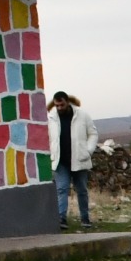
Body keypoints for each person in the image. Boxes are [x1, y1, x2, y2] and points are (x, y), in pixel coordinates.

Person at [51, 91, 95, 229]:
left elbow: (93, 133)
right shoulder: (50, 118)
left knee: (81, 190)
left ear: (67, 102)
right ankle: (61, 219)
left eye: (62, 105)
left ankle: (85, 218)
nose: (59, 108)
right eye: (57, 105)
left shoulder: (82, 115)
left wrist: (88, 151)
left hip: (79, 159)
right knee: (62, 189)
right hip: (60, 161)